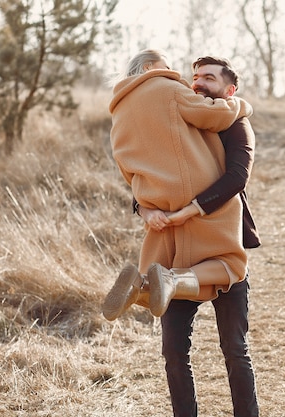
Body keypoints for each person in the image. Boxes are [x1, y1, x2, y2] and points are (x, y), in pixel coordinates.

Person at [137, 56, 260, 417]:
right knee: (174, 353)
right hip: (175, 254)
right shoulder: (180, 122)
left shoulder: (235, 123)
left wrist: (190, 209)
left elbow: (237, 177)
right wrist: (146, 210)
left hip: (221, 250)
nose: (199, 83)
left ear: (229, 89)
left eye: (209, 77)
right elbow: (148, 176)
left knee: (235, 349)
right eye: (195, 77)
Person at [103, 49, 252, 321]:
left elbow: (124, 163)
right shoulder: (167, 87)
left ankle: (140, 287)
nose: (176, 74)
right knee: (231, 265)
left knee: (160, 275)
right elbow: (210, 115)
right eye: (167, 66)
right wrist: (240, 105)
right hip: (195, 191)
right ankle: (169, 279)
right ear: (150, 67)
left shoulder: (119, 108)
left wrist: (145, 205)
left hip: (154, 200)